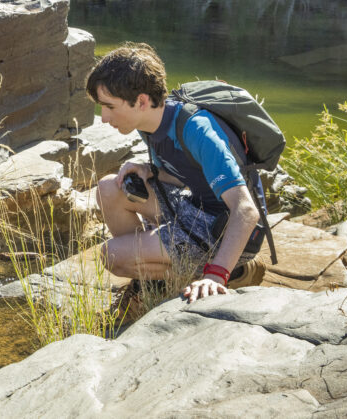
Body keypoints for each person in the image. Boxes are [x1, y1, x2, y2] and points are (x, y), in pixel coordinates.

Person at [85, 43, 267, 303]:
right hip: (195, 207)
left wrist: (217, 274)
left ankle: (236, 271)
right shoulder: (149, 121)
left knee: (111, 255)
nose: (103, 117)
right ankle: (152, 279)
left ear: (141, 101)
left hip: (224, 229)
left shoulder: (197, 129)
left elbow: (246, 211)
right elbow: (185, 174)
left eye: (109, 106)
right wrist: (149, 170)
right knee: (109, 188)